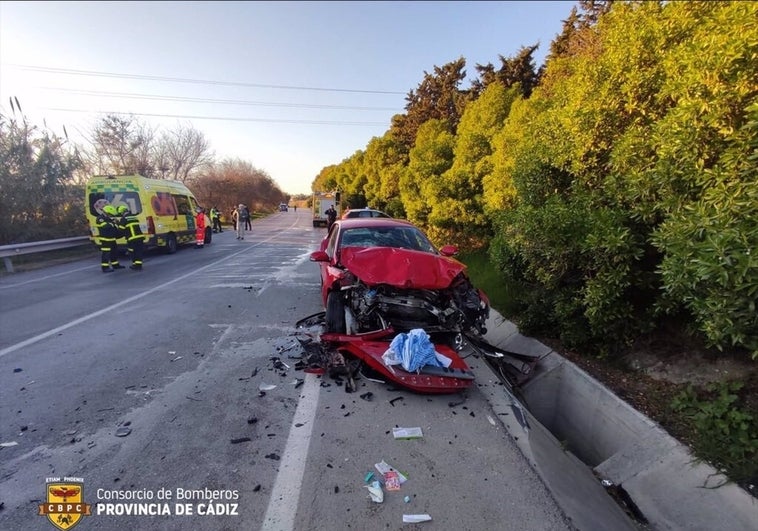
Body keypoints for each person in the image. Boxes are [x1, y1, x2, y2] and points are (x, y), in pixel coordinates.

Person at [117, 205, 145, 270]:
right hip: (140, 237)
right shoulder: (134, 217)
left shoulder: (124, 219)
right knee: (138, 251)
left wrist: (115, 235)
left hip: (132, 238)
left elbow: (121, 230)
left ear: (122, 212)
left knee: (132, 251)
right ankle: (139, 265)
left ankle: (135, 265)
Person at [97, 205, 123, 272]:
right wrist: (113, 223)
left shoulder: (109, 219)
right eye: (110, 214)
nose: (111, 215)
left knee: (114, 252)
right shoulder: (100, 218)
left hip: (112, 239)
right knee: (106, 253)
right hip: (105, 240)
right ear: (107, 212)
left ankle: (115, 265)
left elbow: (114, 227)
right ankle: (105, 267)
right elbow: (106, 226)